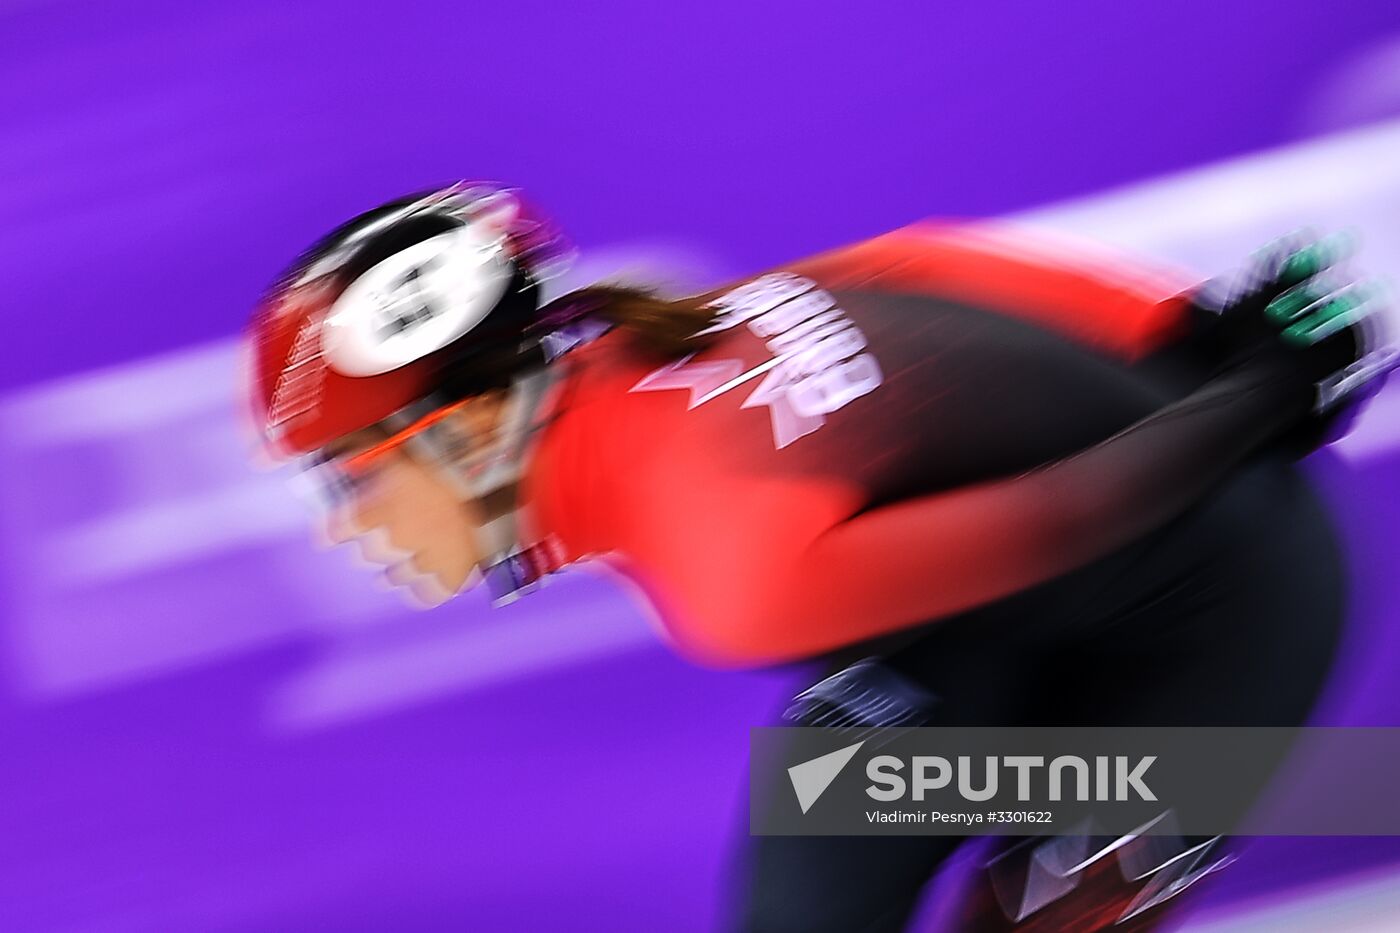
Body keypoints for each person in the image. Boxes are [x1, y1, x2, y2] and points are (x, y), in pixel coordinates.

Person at [244, 183, 1395, 932]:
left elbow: (1061, 518)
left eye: (346, 478)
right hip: (1012, 604)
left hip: (1227, 621)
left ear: (463, 432)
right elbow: (926, 261)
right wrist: (1198, 332)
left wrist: (1254, 390)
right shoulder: (676, 345)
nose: (343, 527)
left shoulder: (728, 569)